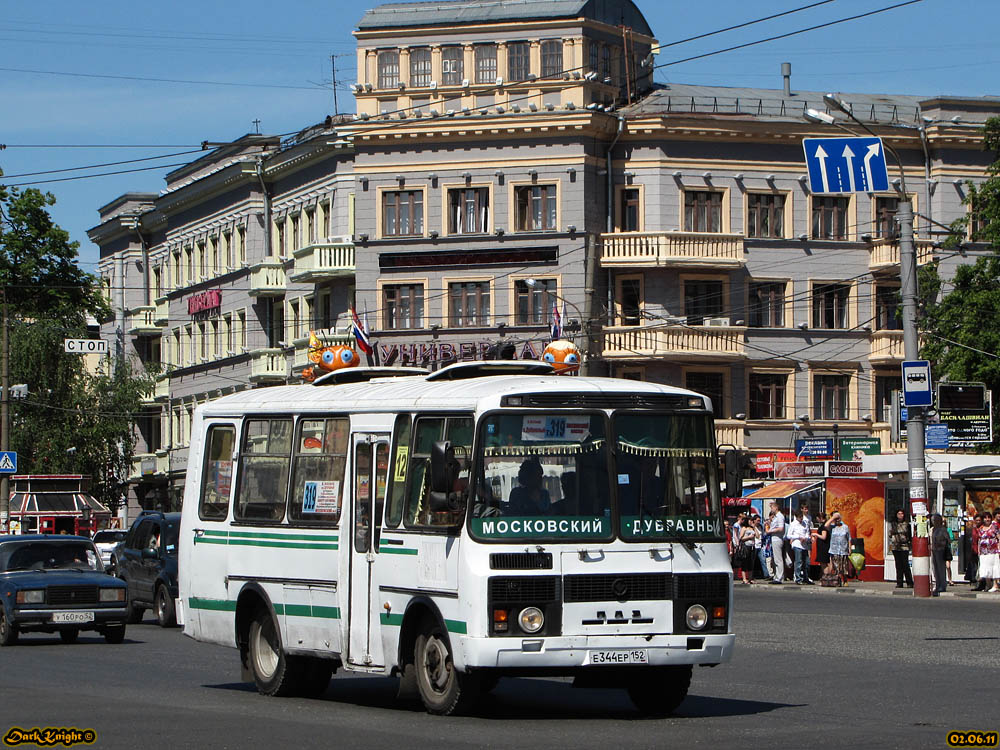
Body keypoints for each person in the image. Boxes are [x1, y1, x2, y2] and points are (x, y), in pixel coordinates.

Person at [888, 508, 914, 589]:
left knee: (905, 565)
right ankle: (899, 582)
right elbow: (890, 534)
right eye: (898, 514)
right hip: (896, 546)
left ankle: (909, 582)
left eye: (901, 514)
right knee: (898, 565)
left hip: (904, 546)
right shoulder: (893, 524)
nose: (900, 515)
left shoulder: (907, 524)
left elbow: (909, 536)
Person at [977, 511, 1000, 593]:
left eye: (989, 518)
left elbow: (998, 537)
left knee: (994, 568)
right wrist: (979, 550)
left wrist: (999, 548)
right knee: (985, 568)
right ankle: (988, 585)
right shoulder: (980, 529)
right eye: (985, 518)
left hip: (993, 551)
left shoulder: (994, 527)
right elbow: (979, 540)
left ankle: (995, 585)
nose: (987, 519)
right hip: (984, 552)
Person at [787, 509, 812, 585]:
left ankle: (805, 577)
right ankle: (798, 578)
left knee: (806, 562)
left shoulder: (805, 523)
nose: (801, 519)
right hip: (797, 544)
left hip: (804, 545)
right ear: (796, 517)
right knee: (799, 561)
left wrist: (806, 538)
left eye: (802, 517)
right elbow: (788, 535)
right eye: (799, 517)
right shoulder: (793, 524)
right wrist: (798, 537)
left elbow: (807, 533)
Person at [828, 512, 852, 585]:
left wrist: (850, 548)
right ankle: (837, 580)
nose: (837, 520)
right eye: (836, 519)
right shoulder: (832, 527)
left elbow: (849, 538)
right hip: (834, 550)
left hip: (843, 549)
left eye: (838, 518)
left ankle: (845, 580)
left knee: (843, 566)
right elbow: (825, 526)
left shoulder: (845, 527)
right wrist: (832, 518)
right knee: (836, 566)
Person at [766, 501, 786, 584]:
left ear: (776, 507)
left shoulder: (780, 516)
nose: (771, 509)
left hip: (777, 538)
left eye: (772, 507)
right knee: (776, 559)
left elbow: (781, 528)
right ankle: (777, 576)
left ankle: (779, 577)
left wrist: (771, 531)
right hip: (774, 538)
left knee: (778, 559)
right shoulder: (776, 517)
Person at [930, 513, 950, 596]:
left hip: (941, 550)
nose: (934, 522)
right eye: (933, 520)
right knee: (935, 568)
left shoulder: (943, 529)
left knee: (941, 568)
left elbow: (948, 540)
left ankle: (942, 585)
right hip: (934, 550)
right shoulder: (932, 529)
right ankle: (937, 584)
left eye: (936, 520)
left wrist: (941, 543)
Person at [736, 516, 759, 584]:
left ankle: (750, 578)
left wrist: (754, 527)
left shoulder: (752, 528)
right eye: (750, 521)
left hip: (752, 546)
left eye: (751, 521)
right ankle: (744, 578)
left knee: (751, 563)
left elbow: (758, 536)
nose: (751, 522)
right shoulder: (744, 528)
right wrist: (749, 537)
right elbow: (741, 537)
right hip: (746, 546)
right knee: (745, 562)